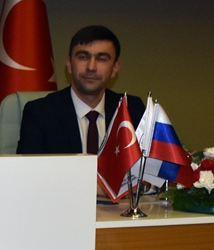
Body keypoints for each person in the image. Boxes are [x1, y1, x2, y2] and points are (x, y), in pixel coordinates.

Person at [16, 25, 145, 155]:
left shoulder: (131, 109)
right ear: (69, 64)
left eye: (101, 59)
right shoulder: (40, 113)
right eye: (83, 57)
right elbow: (28, 167)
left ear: (115, 68)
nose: (91, 67)